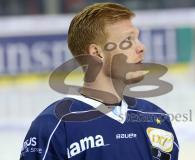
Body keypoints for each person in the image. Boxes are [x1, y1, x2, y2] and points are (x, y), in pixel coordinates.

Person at [20, 2, 179, 160]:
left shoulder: (156, 118)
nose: (141, 47)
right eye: (128, 40)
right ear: (97, 52)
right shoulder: (54, 124)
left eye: (137, 38)